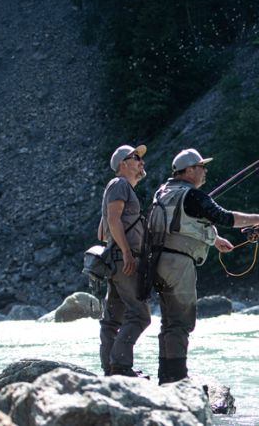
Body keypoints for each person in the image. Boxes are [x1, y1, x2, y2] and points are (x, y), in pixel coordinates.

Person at [154, 148, 259, 384]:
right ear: (189, 170)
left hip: (158, 262)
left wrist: (215, 240)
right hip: (180, 263)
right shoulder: (192, 195)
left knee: (169, 321)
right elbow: (226, 217)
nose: (205, 171)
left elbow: (181, 224)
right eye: (202, 167)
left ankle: (166, 374)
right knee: (181, 321)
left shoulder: (163, 192)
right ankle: (177, 377)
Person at [97, 144, 151, 377]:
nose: (141, 162)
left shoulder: (117, 188)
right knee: (140, 315)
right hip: (124, 260)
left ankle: (111, 368)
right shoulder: (120, 185)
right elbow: (112, 219)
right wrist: (128, 252)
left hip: (115, 260)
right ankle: (120, 365)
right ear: (123, 164)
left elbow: (101, 232)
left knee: (113, 318)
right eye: (136, 158)